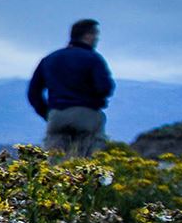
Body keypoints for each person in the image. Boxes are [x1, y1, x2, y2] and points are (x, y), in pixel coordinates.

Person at [26, 19, 116, 156]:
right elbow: (105, 88)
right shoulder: (93, 59)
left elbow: (33, 93)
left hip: (57, 116)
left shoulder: (50, 59)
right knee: (89, 160)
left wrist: (47, 113)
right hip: (87, 115)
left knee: (56, 160)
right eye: (95, 34)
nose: (96, 39)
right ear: (87, 35)